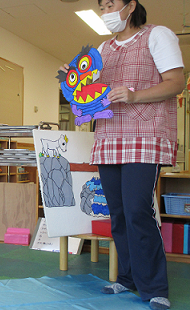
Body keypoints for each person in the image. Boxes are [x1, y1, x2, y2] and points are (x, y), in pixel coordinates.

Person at [60, 1, 184, 309]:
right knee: (117, 213)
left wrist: (133, 95)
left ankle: (154, 287)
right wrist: (72, 79)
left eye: (110, 4)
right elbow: (93, 88)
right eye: (101, 6)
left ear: (130, 6)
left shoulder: (157, 35)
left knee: (137, 210)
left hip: (145, 136)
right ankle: (127, 278)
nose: (105, 11)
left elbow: (176, 83)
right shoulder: (104, 48)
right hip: (109, 136)